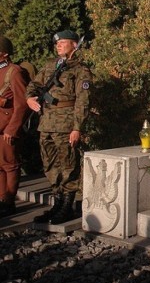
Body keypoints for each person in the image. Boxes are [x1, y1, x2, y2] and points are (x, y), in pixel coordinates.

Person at [27, 29, 92, 224]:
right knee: (50, 164)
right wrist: (29, 99)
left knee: (68, 165)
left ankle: (67, 206)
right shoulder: (50, 66)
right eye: (57, 43)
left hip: (66, 124)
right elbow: (33, 85)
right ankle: (57, 203)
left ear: (74, 44)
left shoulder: (81, 70)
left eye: (63, 42)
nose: (58, 46)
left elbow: (83, 101)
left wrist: (77, 127)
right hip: (46, 123)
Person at [0, 35, 29, 218]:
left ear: (4, 53)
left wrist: (13, 129)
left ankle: (8, 202)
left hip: (7, 129)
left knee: (10, 165)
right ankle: (2, 199)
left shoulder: (14, 72)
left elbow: (22, 103)